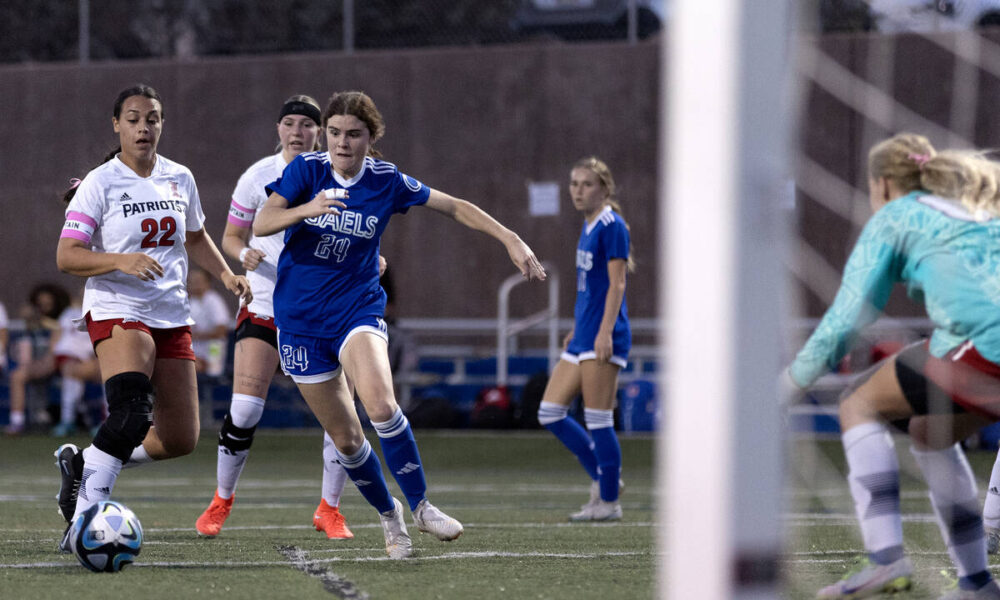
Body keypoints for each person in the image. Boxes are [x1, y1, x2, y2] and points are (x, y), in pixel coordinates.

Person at [253, 90, 547, 559]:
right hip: (301, 320)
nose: (342, 143)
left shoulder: (386, 180)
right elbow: (264, 220)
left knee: (382, 405)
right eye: (333, 133)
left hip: (357, 308)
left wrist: (509, 237)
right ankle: (391, 520)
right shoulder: (306, 171)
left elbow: (453, 205)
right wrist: (305, 210)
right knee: (347, 440)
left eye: (353, 134)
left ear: (372, 137)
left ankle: (422, 506)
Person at [786, 133, 1000, 599]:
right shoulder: (973, 210)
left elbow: (846, 317)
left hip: (990, 345)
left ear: (882, 184)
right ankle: (977, 585)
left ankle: (886, 559)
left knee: (858, 402)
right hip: (982, 344)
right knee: (930, 433)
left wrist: (788, 384)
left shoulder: (896, 216)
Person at [52, 83, 251, 552]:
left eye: (153, 119)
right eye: (135, 118)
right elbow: (66, 256)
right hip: (118, 306)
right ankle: (84, 519)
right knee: (130, 411)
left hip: (170, 312)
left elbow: (196, 236)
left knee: (181, 438)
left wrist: (226, 276)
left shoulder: (179, 176)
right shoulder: (100, 182)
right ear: (116, 124)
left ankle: (84, 462)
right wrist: (120, 260)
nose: (144, 127)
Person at [195, 94, 355, 540]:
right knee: (244, 408)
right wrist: (241, 252)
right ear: (278, 129)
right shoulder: (257, 177)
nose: (298, 131)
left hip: (325, 306)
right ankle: (221, 499)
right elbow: (230, 235)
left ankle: (330, 508)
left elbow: (363, 226)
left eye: (307, 124)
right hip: (265, 301)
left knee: (341, 419)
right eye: (290, 122)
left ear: (320, 131)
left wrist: (371, 259)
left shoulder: (338, 171)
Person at [536, 157, 631, 522]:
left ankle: (609, 502)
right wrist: (579, 327)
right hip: (585, 335)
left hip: (604, 337)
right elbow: (591, 288)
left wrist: (604, 331)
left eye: (586, 184)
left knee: (599, 419)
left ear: (604, 189)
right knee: (550, 412)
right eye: (574, 184)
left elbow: (618, 283)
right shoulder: (589, 224)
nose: (577, 191)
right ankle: (606, 479)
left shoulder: (612, 224)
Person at [4, 283, 71, 435]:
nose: (44, 307)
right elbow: (24, 350)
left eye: (48, 303)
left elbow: (55, 350)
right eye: (40, 304)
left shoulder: (63, 318)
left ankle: (71, 421)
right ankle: (17, 422)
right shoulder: (32, 322)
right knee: (17, 376)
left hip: (60, 361)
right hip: (37, 363)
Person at [187, 266, 231, 377]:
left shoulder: (214, 300)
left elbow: (221, 331)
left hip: (214, 348)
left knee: (199, 368)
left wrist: (196, 335)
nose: (194, 284)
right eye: (191, 281)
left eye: (198, 281)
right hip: (195, 348)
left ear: (207, 282)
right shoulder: (191, 302)